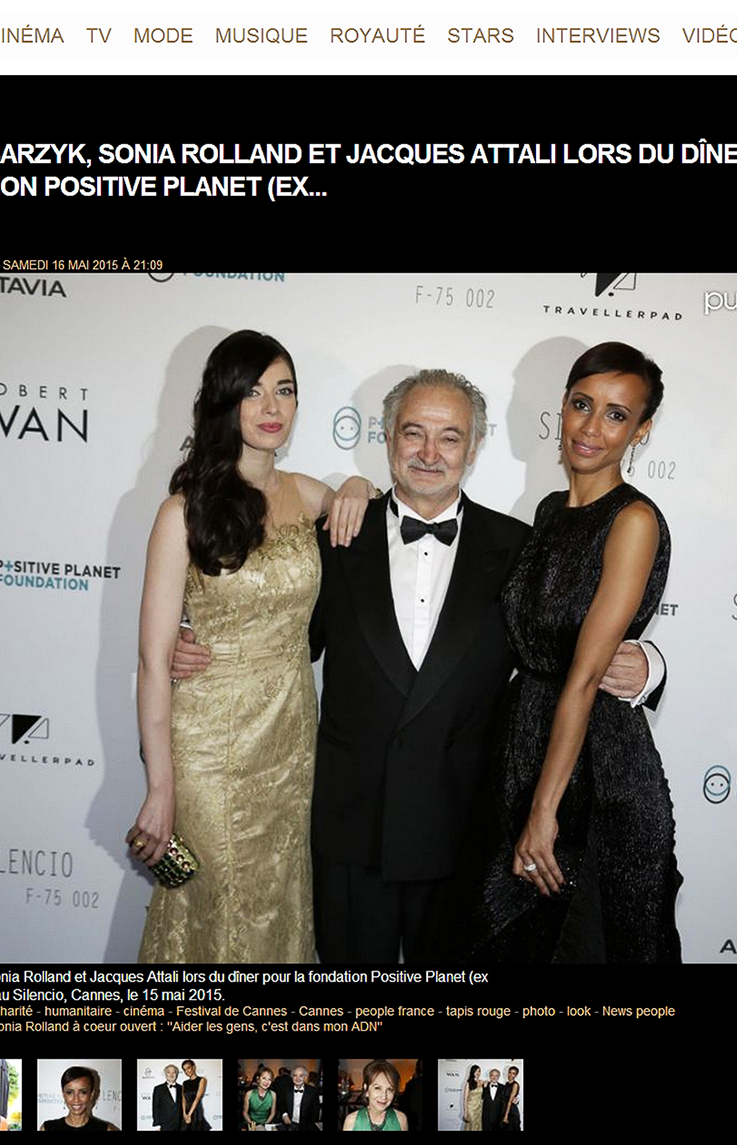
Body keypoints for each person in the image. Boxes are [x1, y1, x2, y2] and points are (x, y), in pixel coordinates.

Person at [172, 366, 661, 965]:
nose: (430, 454)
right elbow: (272, 636)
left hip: (464, 832)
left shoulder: (518, 547)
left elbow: (561, 653)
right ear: (386, 437)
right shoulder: (331, 539)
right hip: (351, 827)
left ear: (474, 449)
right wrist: (195, 642)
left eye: (450, 437)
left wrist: (650, 666)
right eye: (413, 433)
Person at [129, 329, 374, 966]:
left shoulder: (308, 493)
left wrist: (356, 482)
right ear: (225, 401)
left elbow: (371, 512)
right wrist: (160, 787)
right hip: (210, 745)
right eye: (254, 392)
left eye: (284, 391)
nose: (272, 407)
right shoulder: (181, 512)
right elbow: (154, 661)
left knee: (279, 903)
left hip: (292, 739)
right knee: (217, 907)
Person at [477, 342, 683, 965]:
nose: (592, 428)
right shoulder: (547, 510)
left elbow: (587, 676)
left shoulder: (633, 520)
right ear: (562, 406)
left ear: (641, 430)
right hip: (527, 749)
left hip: (595, 774)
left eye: (617, 415)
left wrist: (545, 811)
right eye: (582, 404)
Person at [39, 1066, 120, 1132]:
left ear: (92, 1094)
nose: (76, 1100)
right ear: (63, 1094)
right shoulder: (48, 1128)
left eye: (83, 1092)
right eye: (69, 1092)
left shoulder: (106, 1129)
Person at [343, 1059, 407, 1131]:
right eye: (377, 1088)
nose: (384, 1096)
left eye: (390, 1089)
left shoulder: (400, 1119)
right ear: (366, 1089)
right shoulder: (352, 1121)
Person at [275, 1063, 321, 1131]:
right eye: (295, 1075)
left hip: (306, 1126)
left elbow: (315, 1113)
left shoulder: (313, 1092)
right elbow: (281, 1105)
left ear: (305, 1077)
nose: (297, 1078)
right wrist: (284, 1115)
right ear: (292, 1077)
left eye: (301, 1076)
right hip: (289, 1125)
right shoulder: (286, 1090)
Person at [181, 1060, 209, 1131]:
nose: (187, 1071)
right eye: (184, 1070)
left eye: (188, 1068)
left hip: (196, 1111)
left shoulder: (202, 1080)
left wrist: (190, 1114)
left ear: (193, 1067)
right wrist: (184, 1114)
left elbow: (197, 1098)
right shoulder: (185, 1083)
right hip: (187, 1111)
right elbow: (183, 1099)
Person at [152, 1064, 182, 1131]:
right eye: (169, 1072)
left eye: (173, 1072)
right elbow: (155, 1107)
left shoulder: (182, 1088)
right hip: (164, 1125)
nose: (171, 1075)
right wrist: (157, 1125)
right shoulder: (158, 1089)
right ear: (165, 1074)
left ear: (176, 1074)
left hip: (180, 1125)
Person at [461, 1064, 483, 1132]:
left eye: (479, 1071)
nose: (478, 1073)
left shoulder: (482, 1082)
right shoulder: (469, 1083)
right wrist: (465, 1112)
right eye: (476, 1071)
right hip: (471, 1108)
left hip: (479, 1108)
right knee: (472, 1125)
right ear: (472, 1072)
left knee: (478, 1124)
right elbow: (465, 1098)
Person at [501, 1065, 521, 1132]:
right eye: (510, 1072)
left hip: (511, 1112)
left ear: (516, 1075)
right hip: (505, 1109)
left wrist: (506, 1115)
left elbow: (510, 1101)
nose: (511, 1075)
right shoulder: (506, 1084)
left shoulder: (515, 1085)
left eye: (513, 1073)